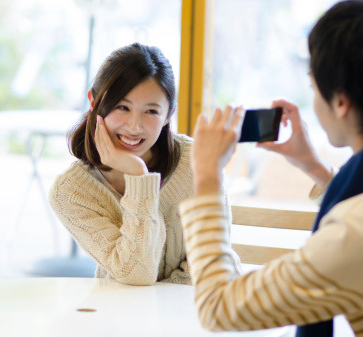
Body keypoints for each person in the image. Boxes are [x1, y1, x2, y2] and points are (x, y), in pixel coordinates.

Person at [179, 1, 363, 336]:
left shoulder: (360, 236)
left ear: (340, 102)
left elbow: (220, 308)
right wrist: (315, 167)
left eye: (313, 86)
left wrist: (206, 175)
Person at [49, 43, 237, 285]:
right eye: (122, 107)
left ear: (169, 115)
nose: (134, 126)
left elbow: (212, 265)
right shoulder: (71, 192)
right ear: (93, 101)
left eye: (151, 111)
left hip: (201, 308)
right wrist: (139, 176)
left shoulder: (197, 160)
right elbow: (137, 273)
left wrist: (159, 307)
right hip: (124, 314)